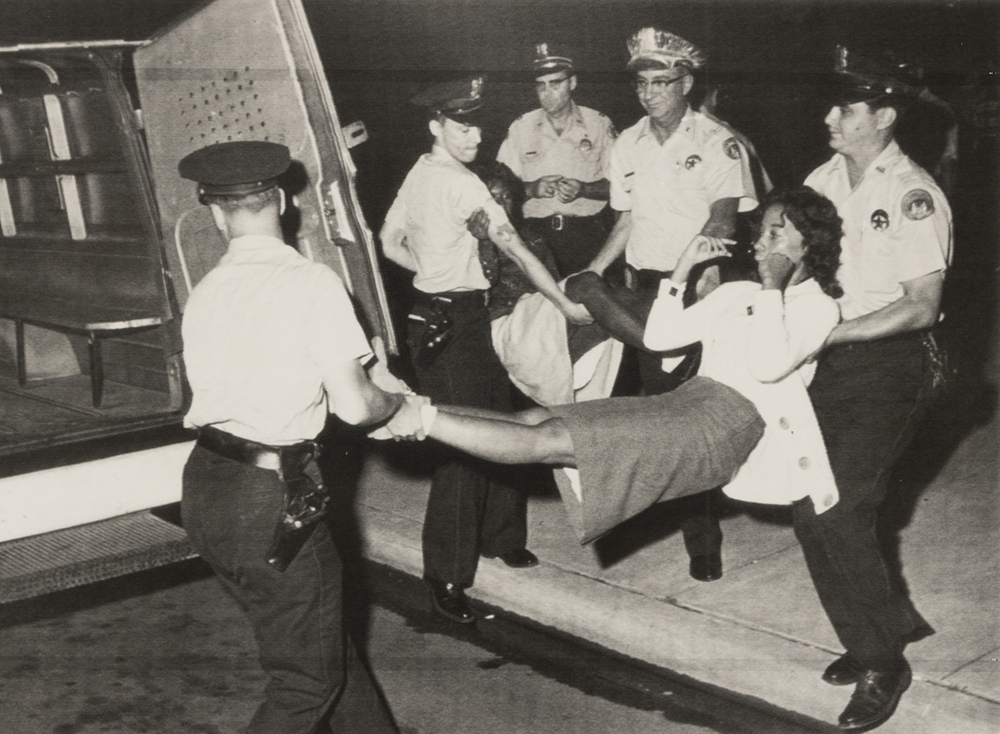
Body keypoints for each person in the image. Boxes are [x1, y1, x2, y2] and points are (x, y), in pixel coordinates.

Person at [383, 186, 844, 551]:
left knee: (548, 442)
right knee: (536, 420)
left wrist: (771, 288)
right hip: (687, 404)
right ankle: (406, 409)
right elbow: (661, 339)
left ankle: (413, 419)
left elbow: (766, 367)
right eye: (761, 231)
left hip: (725, 425)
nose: (760, 244)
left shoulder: (818, 308)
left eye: (775, 234)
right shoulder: (738, 293)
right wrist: (680, 272)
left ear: (808, 246)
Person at [178, 141, 421, 733]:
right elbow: (357, 407)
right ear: (283, 201)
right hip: (271, 498)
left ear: (215, 212)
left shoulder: (204, 292)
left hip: (206, 488)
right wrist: (400, 404)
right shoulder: (311, 282)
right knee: (307, 680)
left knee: (317, 640)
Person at [380, 77, 592, 624]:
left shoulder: (418, 172)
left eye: (478, 124)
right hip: (458, 323)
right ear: (436, 127)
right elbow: (516, 248)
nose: (474, 134)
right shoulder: (463, 184)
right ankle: (446, 574)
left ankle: (502, 536)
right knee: (466, 445)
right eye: (461, 125)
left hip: (439, 315)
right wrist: (567, 308)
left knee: (505, 418)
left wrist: (430, 273)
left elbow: (388, 241)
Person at [795, 46, 952, 731]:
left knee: (841, 506)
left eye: (847, 108)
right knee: (806, 503)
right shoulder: (821, 178)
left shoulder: (912, 193)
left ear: (884, 116)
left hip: (893, 364)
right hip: (826, 360)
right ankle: (878, 630)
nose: (830, 117)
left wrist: (832, 333)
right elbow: (794, 262)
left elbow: (921, 306)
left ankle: (883, 661)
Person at [586, 27, 759, 582]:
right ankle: (683, 519)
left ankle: (704, 540)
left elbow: (724, 218)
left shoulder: (716, 141)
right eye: (642, 83)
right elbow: (627, 218)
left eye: (661, 82)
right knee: (663, 411)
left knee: (698, 414)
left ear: (686, 83)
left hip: (699, 289)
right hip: (644, 291)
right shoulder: (628, 142)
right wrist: (594, 270)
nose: (649, 93)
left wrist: (701, 276)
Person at [496, 43, 617, 277]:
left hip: (589, 236)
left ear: (572, 83)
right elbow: (499, 190)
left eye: (555, 84)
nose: (547, 93)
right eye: (540, 86)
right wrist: (531, 188)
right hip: (536, 237)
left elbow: (619, 187)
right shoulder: (521, 127)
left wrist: (584, 189)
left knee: (590, 304)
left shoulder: (599, 124)